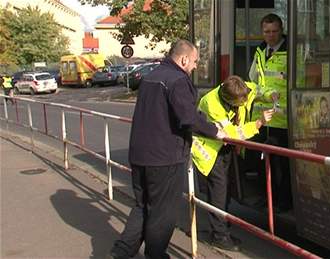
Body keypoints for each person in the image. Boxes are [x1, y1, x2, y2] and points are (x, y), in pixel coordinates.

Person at [109, 39, 226, 259]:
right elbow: (188, 117)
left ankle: (120, 252)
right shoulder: (178, 80)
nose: (194, 66)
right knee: (162, 213)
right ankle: (156, 255)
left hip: (140, 154)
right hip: (164, 158)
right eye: (194, 61)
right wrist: (216, 131)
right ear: (183, 59)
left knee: (142, 206)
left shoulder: (152, 76)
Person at [191, 75, 274, 251]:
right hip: (209, 151)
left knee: (226, 189)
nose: (243, 105)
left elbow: (257, 90)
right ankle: (219, 235)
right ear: (228, 100)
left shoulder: (242, 89)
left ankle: (222, 227)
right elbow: (232, 135)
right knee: (218, 192)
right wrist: (258, 123)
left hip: (223, 147)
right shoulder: (212, 104)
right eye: (239, 104)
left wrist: (271, 95)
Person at [248, 13, 292, 211]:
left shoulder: (290, 50)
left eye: (274, 31)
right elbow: (252, 78)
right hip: (263, 117)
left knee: (283, 164)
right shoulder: (260, 51)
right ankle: (269, 198)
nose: (271, 35)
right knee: (263, 162)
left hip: (283, 119)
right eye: (267, 31)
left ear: (281, 30)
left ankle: (283, 201)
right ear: (262, 32)